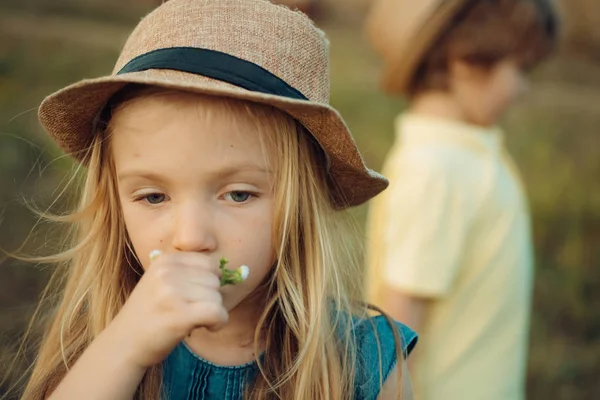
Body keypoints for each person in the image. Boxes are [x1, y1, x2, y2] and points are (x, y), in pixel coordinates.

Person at [16, 0, 418, 399]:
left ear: (300, 205)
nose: (190, 239)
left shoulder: (369, 365)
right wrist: (122, 350)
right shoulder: (96, 340)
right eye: (154, 196)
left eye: (239, 195)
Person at [364, 0, 559, 399]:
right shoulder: (438, 169)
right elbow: (400, 325)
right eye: (518, 68)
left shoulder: (461, 153)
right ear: (466, 62)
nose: (523, 88)